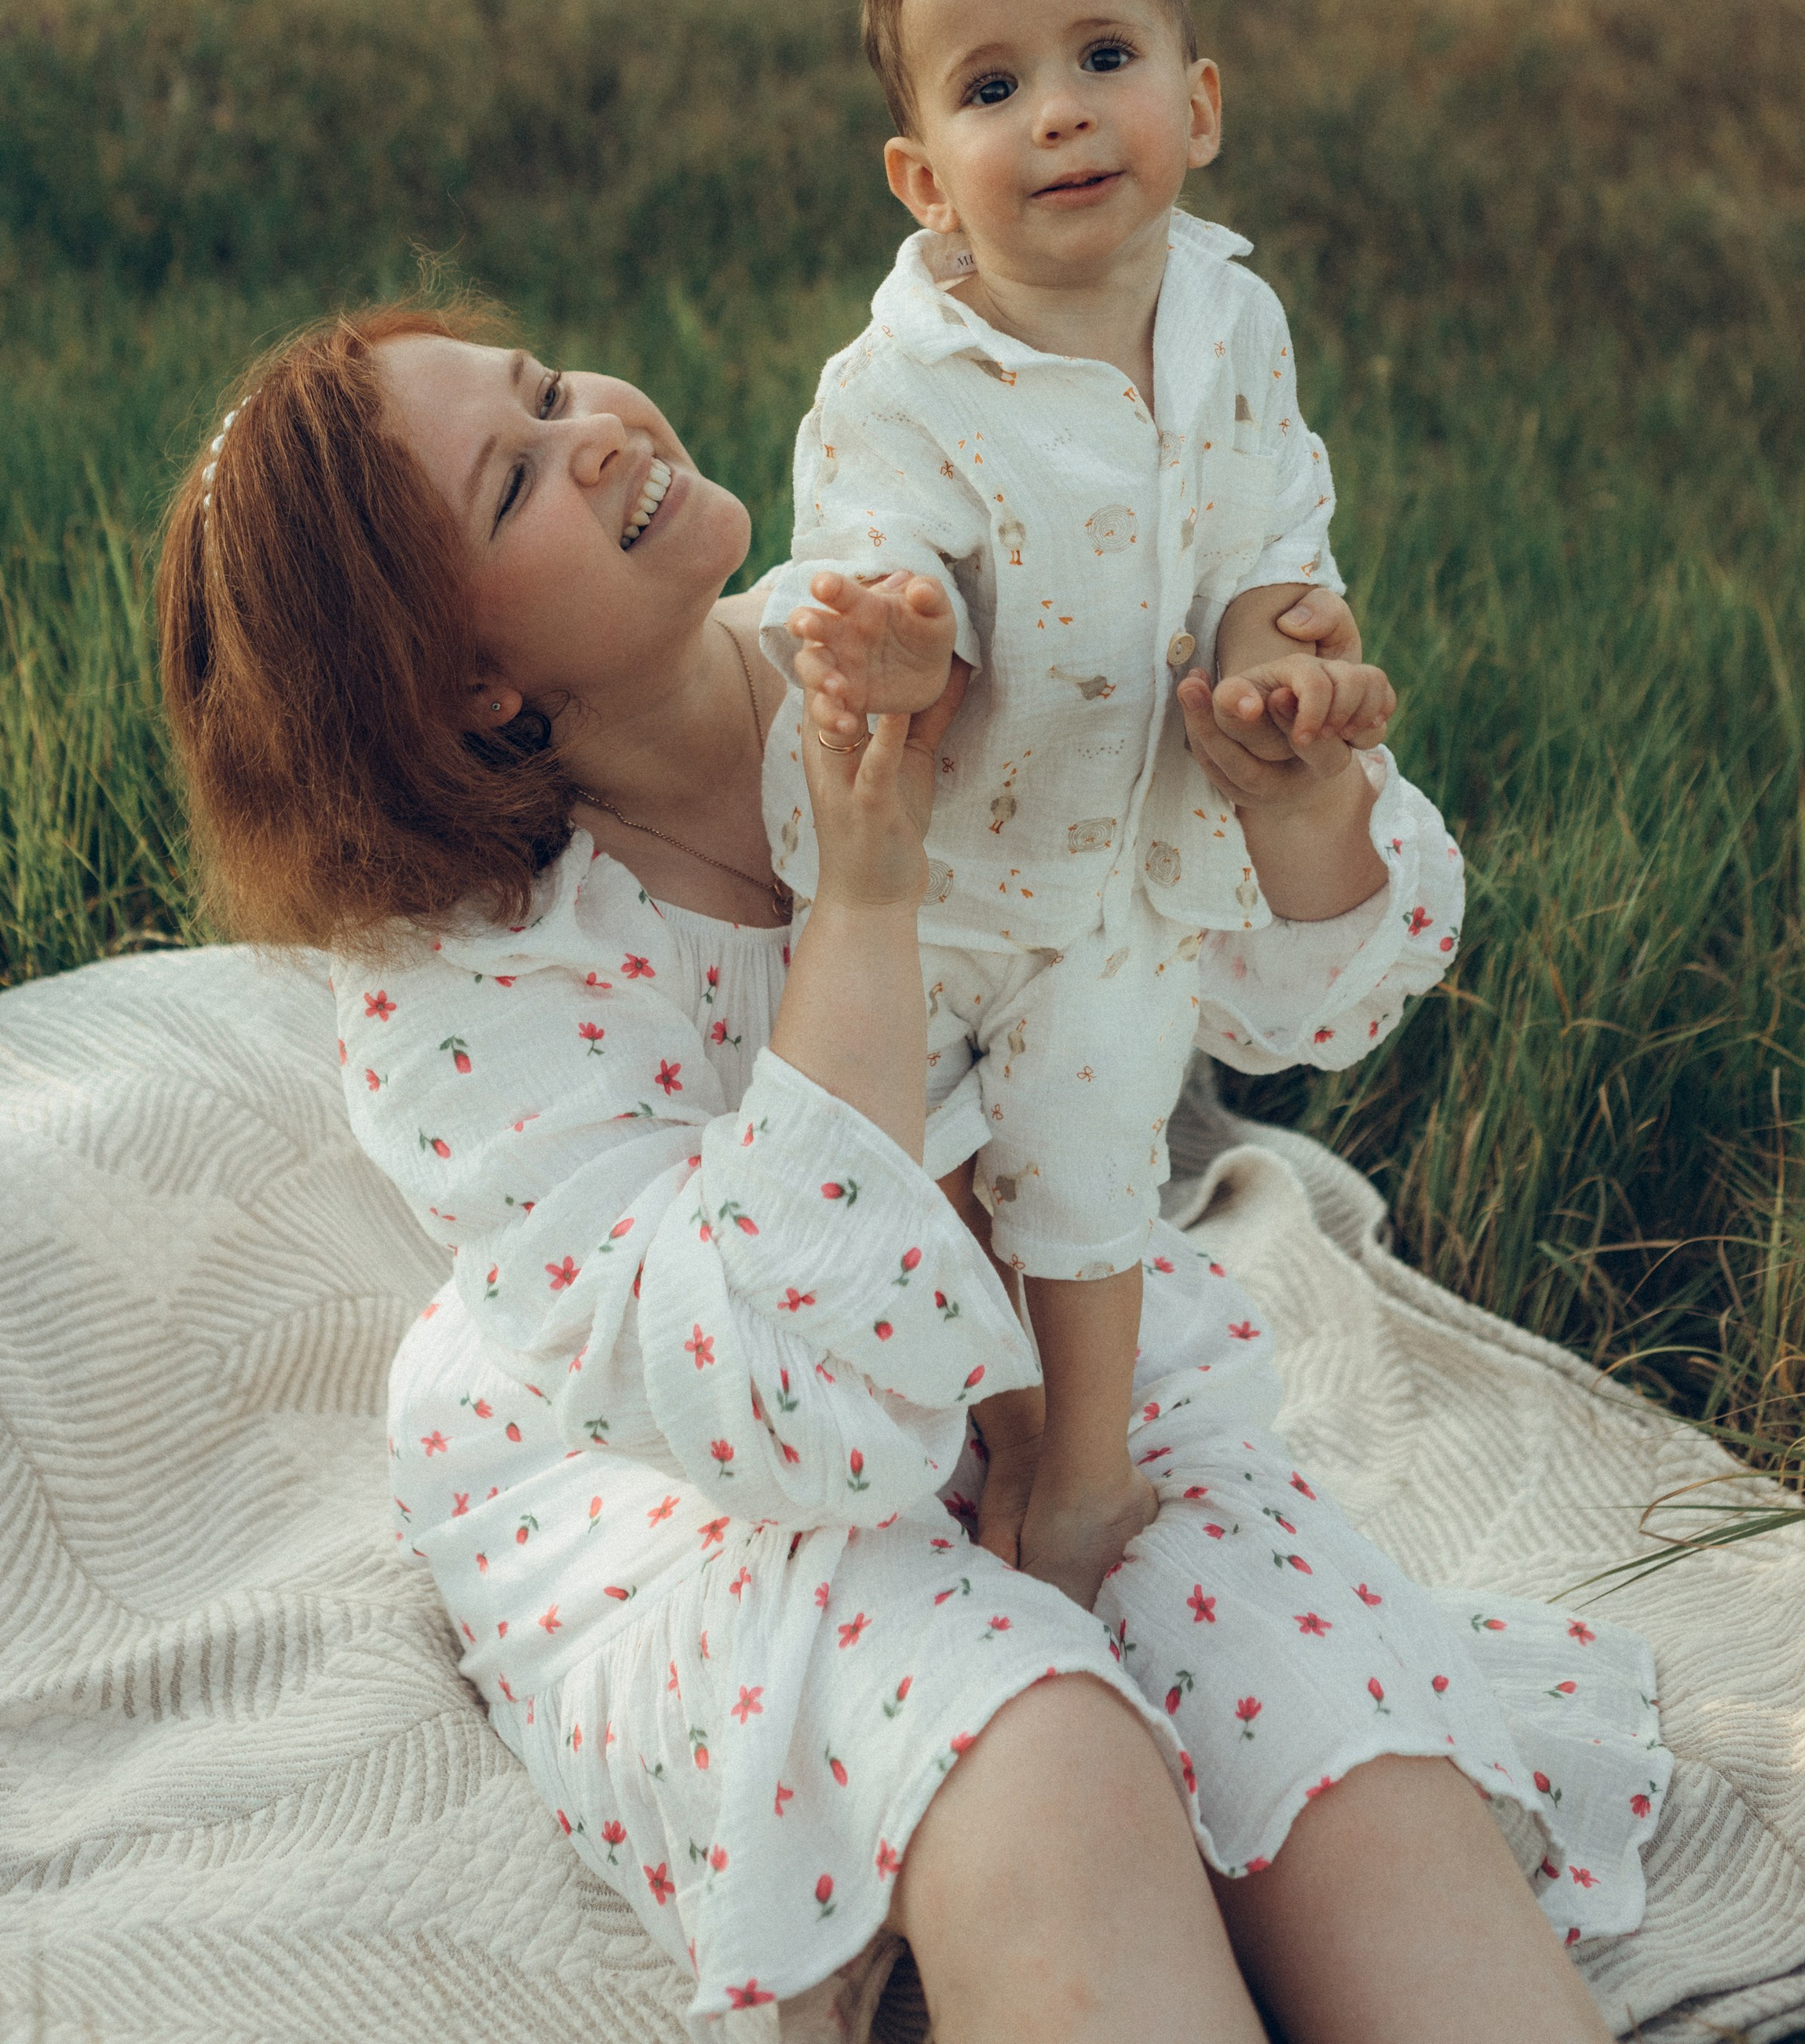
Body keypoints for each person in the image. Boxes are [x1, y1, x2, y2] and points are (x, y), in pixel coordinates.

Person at [156, 304, 1663, 2043]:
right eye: (515, 481)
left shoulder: (909, 637)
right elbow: (784, 1422)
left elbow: (1279, 996)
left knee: (1336, 1755)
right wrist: (861, 908)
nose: (595, 431)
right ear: (466, 682)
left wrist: (1288, 797)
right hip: (696, 1477)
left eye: (549, 386)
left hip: (1058, 1378)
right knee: (1036, 1748)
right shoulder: (467, 987)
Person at [759, 0, 1397, 1610]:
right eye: (992, 86)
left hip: (1126, 859)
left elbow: (1270, 539)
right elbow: (878, 567)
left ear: (1196, 105)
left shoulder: (1232, 320)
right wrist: (895, 641)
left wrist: (1285, 658)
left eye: (1101, 59)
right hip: (944, 869)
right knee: (937, 1171)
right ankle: (977, 1417)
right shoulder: (900, 381)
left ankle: (1083, 1469)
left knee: (1098, 1149)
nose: (1058, 112)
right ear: (922, 177)